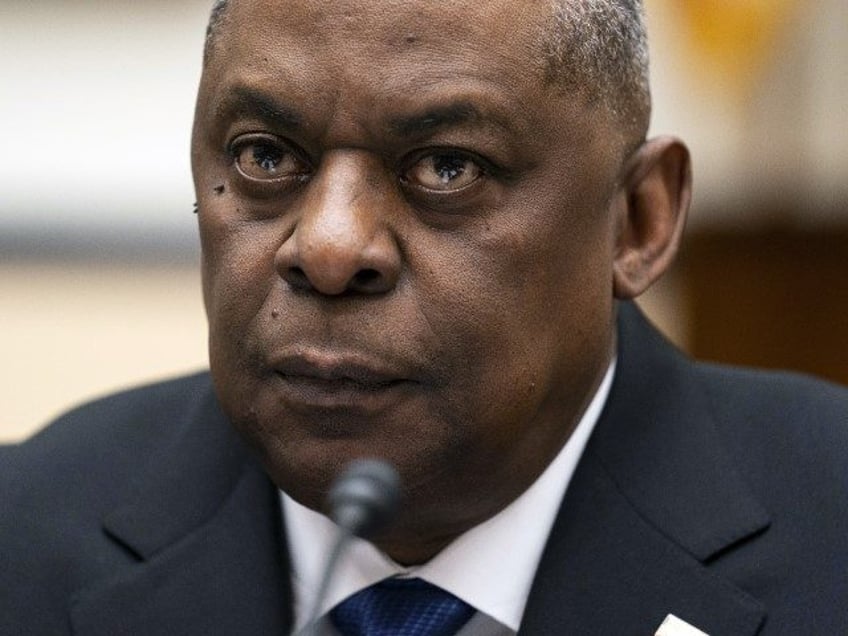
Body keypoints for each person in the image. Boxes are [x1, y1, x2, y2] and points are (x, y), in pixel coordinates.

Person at [2, 0, 847, 634]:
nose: (329, 247)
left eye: (448, 167)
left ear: (638, 219)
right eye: (265, 156)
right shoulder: (25, 542)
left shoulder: (828, 535)